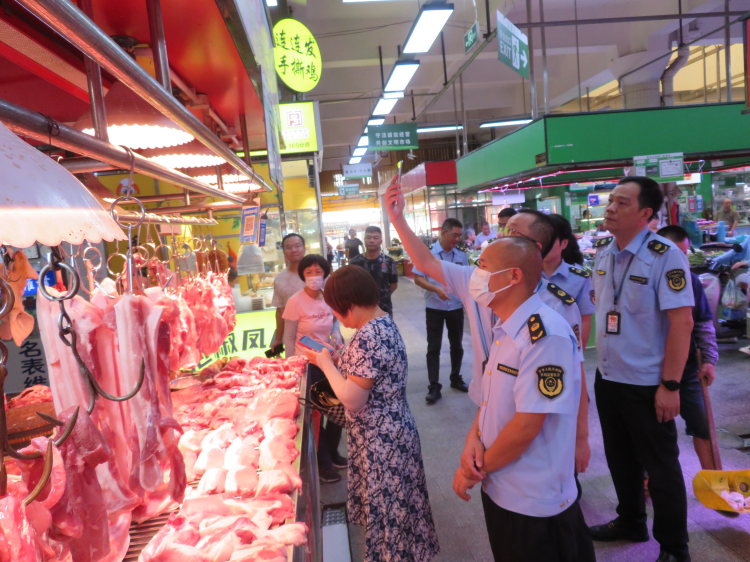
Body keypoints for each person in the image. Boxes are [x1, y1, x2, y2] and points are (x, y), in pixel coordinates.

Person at [384, 181, 592, 479]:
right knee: (496, 476)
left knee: (537, 477)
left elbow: (577, 373)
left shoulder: (556, 308)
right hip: (488, 403)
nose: (503, 235)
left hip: (536, 414)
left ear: (531, 249)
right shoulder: (478, 281)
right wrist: (397, 219)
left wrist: (581, 437)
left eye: (513, 231)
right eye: (504, 228)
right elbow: (426, 262)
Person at [452, 237, 595, 562]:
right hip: (502, 486)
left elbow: (528, 425)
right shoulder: (507, 329)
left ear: (513, 276)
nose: (475, 274)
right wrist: (472, 438)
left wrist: (472, 471)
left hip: (534, 502)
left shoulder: (545, 336)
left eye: (483, 266)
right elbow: (491, 401)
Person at [588, 176, 694, 562]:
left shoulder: (665, 255)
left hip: (649, 382)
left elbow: (682, 323)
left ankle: (674, 547)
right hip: (609, 377)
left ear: (646, 213)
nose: (610, 207)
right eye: (610, 200)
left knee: (661, 466)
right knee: (619, 457)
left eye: (621, 203)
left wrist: (671, 384)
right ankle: (631, 519)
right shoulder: (604, 253)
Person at [304, 265, 440, 562]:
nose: (338, 319)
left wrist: (325, 363)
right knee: (402, 514)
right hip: (395, 432)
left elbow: (353, 400)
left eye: (338, 312)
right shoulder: (383, 323)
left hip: (382, 443)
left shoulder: (367, 336)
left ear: (349, 306)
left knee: (391, 520)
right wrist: (343, 362)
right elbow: (369, 375)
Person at [658, 225, 718, 470]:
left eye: (684, 255)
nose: (681, 261)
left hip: (689, 368)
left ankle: (715, 482)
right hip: (651, 370)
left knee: (703, 425)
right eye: (676, 254)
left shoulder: (690, 280)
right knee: (655, 430)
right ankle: (650, 482)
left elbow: (703, 322)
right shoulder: (643, 281)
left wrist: (709, 360)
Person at [283, 254, 345, 484]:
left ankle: (334, 454)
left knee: (339, 414)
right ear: (302, 276)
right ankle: (324, 464)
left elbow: (335, 320)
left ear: (325, 273)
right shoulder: (295, 301)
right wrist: (291, 366)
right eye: (308, 272)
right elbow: (289, 336)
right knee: (325, 412)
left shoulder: (329, 297)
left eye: (318, 272)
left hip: (330, 360)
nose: (314, 277)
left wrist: (337, 334)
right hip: (308, 365)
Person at [412, 218, 470, 404]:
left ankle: (455, 377)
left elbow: (467, 279)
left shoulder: (461, 255)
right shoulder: (428, 255)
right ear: (443, 233)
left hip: (455, 307)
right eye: (454, 235)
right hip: (434, 308)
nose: (457, 239)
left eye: (459, 236)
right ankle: (434, 386)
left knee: (457, 345)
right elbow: (418, 278)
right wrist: (435, 289)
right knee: (434, 348)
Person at [544, 214, 595, 348]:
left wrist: (578, 356)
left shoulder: (579, 278)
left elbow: (584, 320)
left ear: (564, 243)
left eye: (549, 240)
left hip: (565, 347)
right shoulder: (525, 276)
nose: (543, 246)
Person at [349, 226, 398, 316]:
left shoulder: (389, 261)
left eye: (375, 238)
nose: (371, 240)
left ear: (381, 241)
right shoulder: (355, 262)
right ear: (364, 240)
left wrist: (383, 296)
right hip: (361, 309)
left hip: (384, 308)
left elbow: (394, 284)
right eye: (368, 237)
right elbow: (350, 286)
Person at [270, 233, 306, 353]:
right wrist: (278, 339)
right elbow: (280, 311)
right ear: (284, 252)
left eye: (297, 246)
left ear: (304, 248)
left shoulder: (317, 274)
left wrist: (336, 332)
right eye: (289, 247)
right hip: (292, 337)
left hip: (319, 335)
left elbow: (331, 305)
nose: (294, 250)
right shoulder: (280, 279)